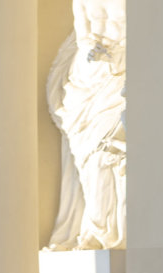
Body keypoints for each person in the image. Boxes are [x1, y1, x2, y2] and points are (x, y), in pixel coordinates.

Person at [44, 0, 127, 251]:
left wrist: (116, 57)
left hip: (118, 73)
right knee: (85, 157)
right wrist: (90, 49)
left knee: (103, 152)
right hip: (89, 73)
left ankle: (104, 231)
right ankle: (92, 229)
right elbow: (82, 32)